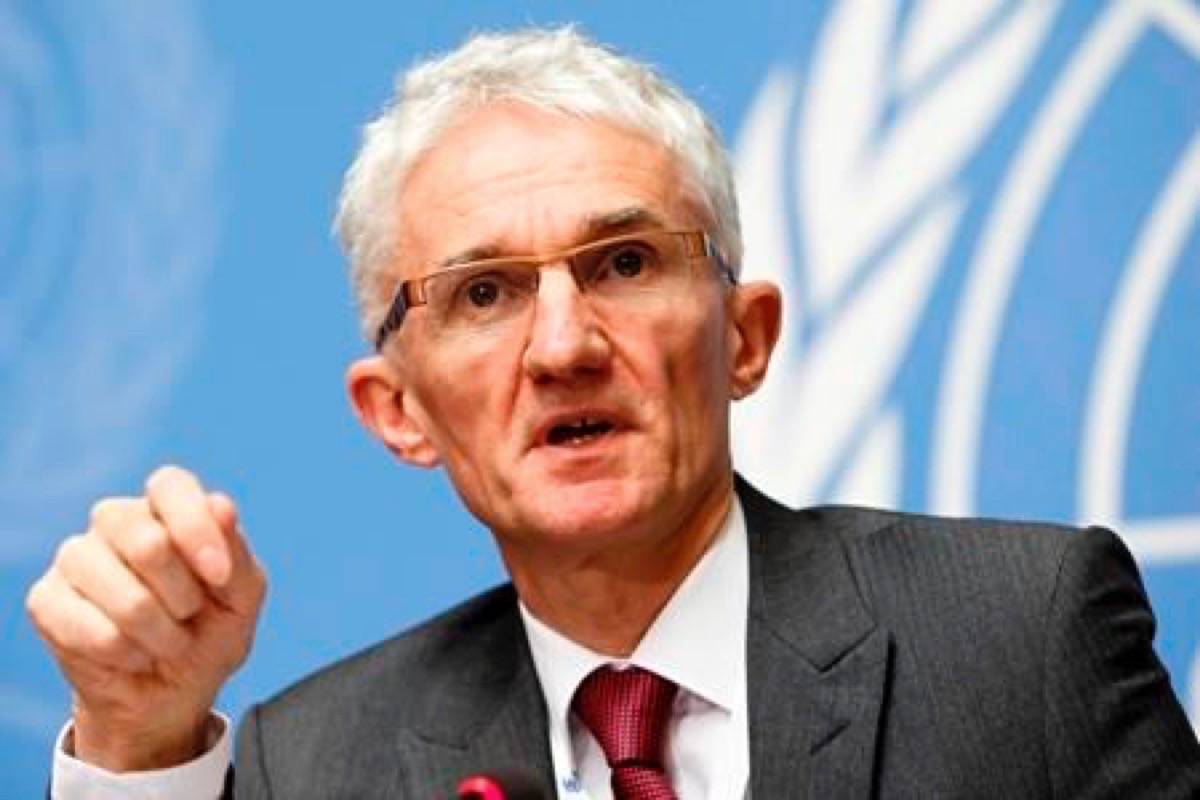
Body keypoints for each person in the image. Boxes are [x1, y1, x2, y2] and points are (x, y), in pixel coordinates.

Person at [27, 26, 1200, 799]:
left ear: (743, 337)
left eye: (626, 263)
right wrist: (139, 739)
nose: (564, 344)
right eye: (482, 293)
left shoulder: (1022, 636)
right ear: (398, 411)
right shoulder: (320, 759)